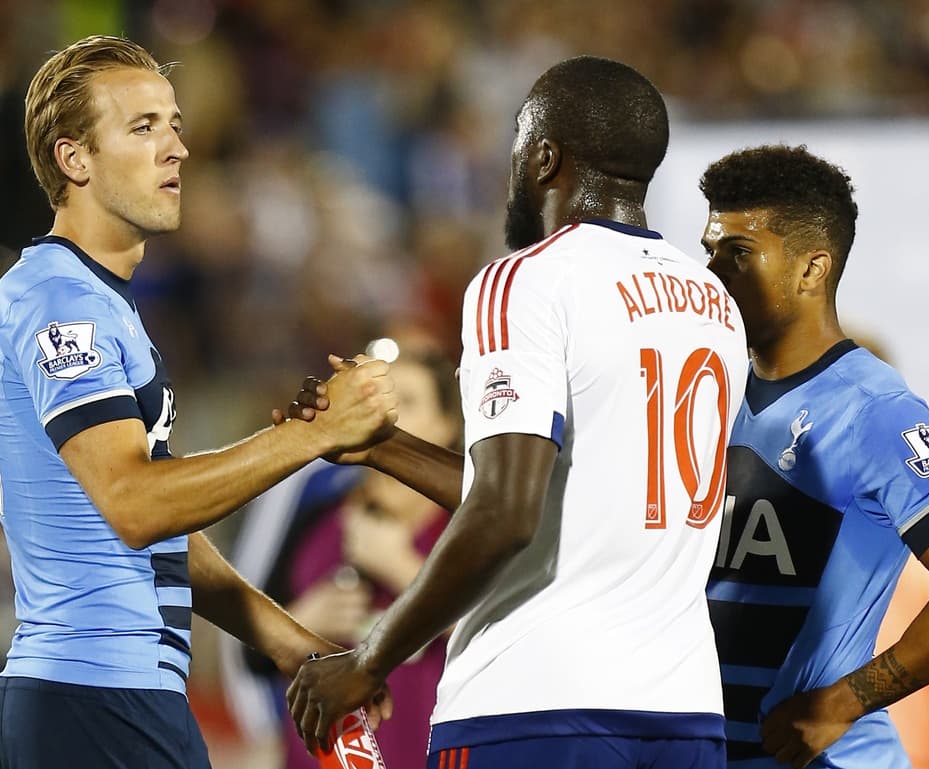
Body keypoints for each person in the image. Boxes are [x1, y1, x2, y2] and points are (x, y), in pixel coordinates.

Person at [284, 55, 749, 769]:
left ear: (543, 156)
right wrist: (383, 444)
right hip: (682, 711)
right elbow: (570, 499)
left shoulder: (523, 280)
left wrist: (371, 657)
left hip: (536, 705)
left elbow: (505, 511)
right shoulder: (713, 304)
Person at [0, 35, 397, 769]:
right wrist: (313, 435)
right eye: (141, 128)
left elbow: (156, 522)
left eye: (173, 123)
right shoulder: (58, 300)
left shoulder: (98, 299)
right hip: (92, 699)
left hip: (108, 698)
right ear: (75, 160)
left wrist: (291, 643)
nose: (176, 149)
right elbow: (137, 503)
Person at [698, 144, 929, 769]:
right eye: (710, 251)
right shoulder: (705, 397)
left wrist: (842, 703)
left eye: (738, 255)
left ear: (812, 269)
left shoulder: (875, 408)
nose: (713, 273)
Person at [278, 348, 460, 769]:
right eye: (379, 399)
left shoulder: (475, 527)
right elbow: (247, 656)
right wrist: (300, 620)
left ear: (448, 426)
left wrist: (401, 568)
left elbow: (512, 636)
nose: (388, 415)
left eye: (408, 402)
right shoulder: (318, 520)